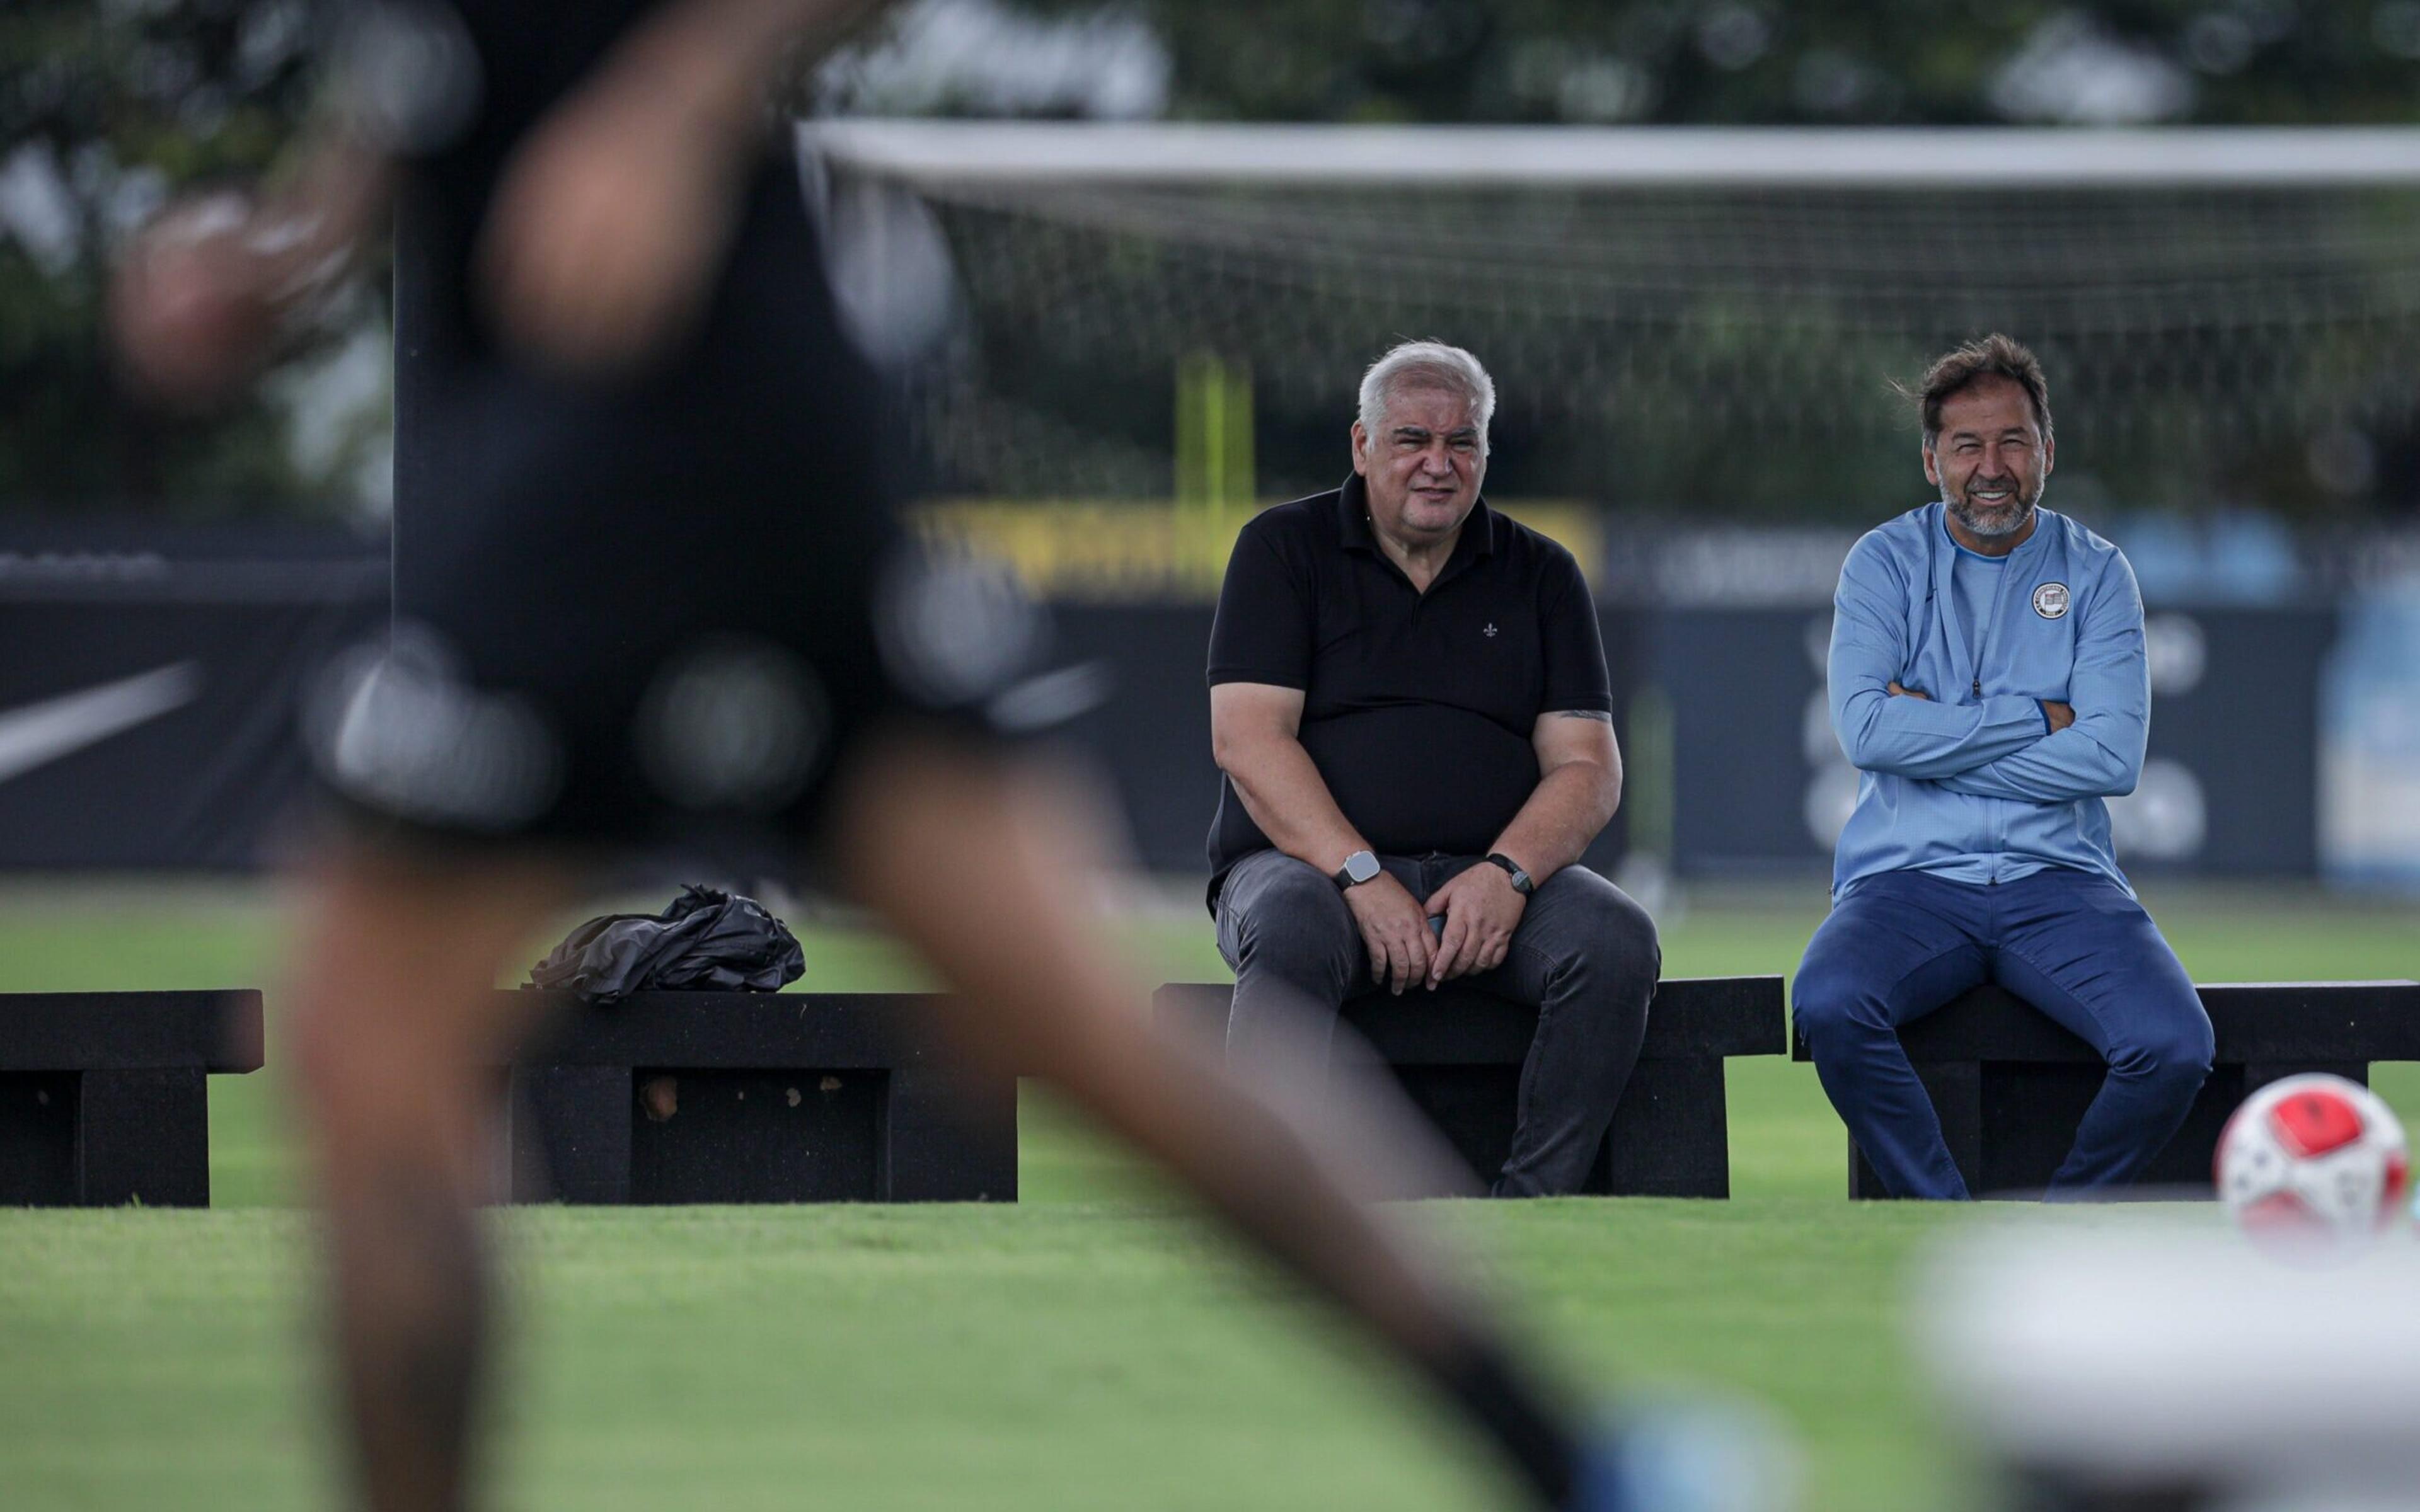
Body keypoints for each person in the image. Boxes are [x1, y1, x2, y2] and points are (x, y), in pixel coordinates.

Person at [107, 5, 1766, 1510]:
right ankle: (1585, 1463)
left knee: (373, 1045)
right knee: (1085, 1033)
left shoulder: (1523, 577)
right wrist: (294, 252)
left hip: (654, 428)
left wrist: (672, 102)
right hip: (655, 430)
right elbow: (440, 82)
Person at [1205, 341, 1661, 1198]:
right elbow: (1249, 742)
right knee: (1295, 923)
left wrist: (1509, 874)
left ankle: (1536, 1206)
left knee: (1614, 939)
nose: (1439, 464)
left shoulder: (1543, 573)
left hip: (1488, 880)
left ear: (1486, 453)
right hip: (1309, 875)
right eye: (1413, 438)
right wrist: (1360, 874)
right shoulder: (1281, 549)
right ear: (1362, 446)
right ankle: (1265, 1204)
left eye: (1464, 444)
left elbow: (1588, 767)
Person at [1792, 334, 2213, 1201]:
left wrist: (1936, 745)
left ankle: (2057, 1224)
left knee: (2173, 1048)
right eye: (1967, 445)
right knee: (1830, 1006)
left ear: (2047, 453)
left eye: (2013, 441)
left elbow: (2108, 756)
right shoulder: (1882, 562)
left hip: (2060, 879)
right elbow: (1868, 734)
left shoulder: (2096, 573)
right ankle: (1942, 1217)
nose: (1992, 466)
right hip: (1905, 881)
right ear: (1931, 460)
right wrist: (2034, 719)